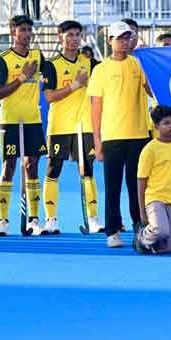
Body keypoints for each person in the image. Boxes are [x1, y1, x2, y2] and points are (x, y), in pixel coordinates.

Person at [88, 20, 153, 247]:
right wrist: (97, 141)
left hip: (139, 135)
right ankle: (113, 230)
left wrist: (149, 62)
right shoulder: (101, 69)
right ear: (110, 41)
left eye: (128, 37)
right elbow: (96, 107)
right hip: (113, 136)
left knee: (138, 186)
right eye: (120, 38)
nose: (125, 42)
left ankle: (140, 227)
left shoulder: (138, 64)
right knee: (113, 186)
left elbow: (152, 90)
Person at [41, 20, 101, 233]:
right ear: (60, 37)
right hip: (60, 126)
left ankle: (93, 219)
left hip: (84, 125)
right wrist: (75, 85)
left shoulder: (91, 63)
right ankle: (51, 219)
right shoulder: (51, 65)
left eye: (77, 34)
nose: (74, 39)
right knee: (53, 169)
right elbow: (49, 96)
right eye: (70, 35)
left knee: (87, 171)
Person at [0, 14, 48, 235]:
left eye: (29, 30)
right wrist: (23, 78)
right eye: (22, 30)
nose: (26, 34)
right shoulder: (3, 59)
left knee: (32, 166)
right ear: (12, 32)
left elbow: (49, 78)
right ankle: (3, 220)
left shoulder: (37, 55)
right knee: (9, 167)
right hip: (10, 121)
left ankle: (33, 219)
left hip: (33, 120)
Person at [134, 104, 171, 254]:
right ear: (156, 126)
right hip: (155, 198)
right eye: (166, 123)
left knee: (168, 249)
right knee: (161, 230)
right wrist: (142, 212)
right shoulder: (149, 150)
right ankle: (141, 238)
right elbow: (141, 180)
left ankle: (153, 243)